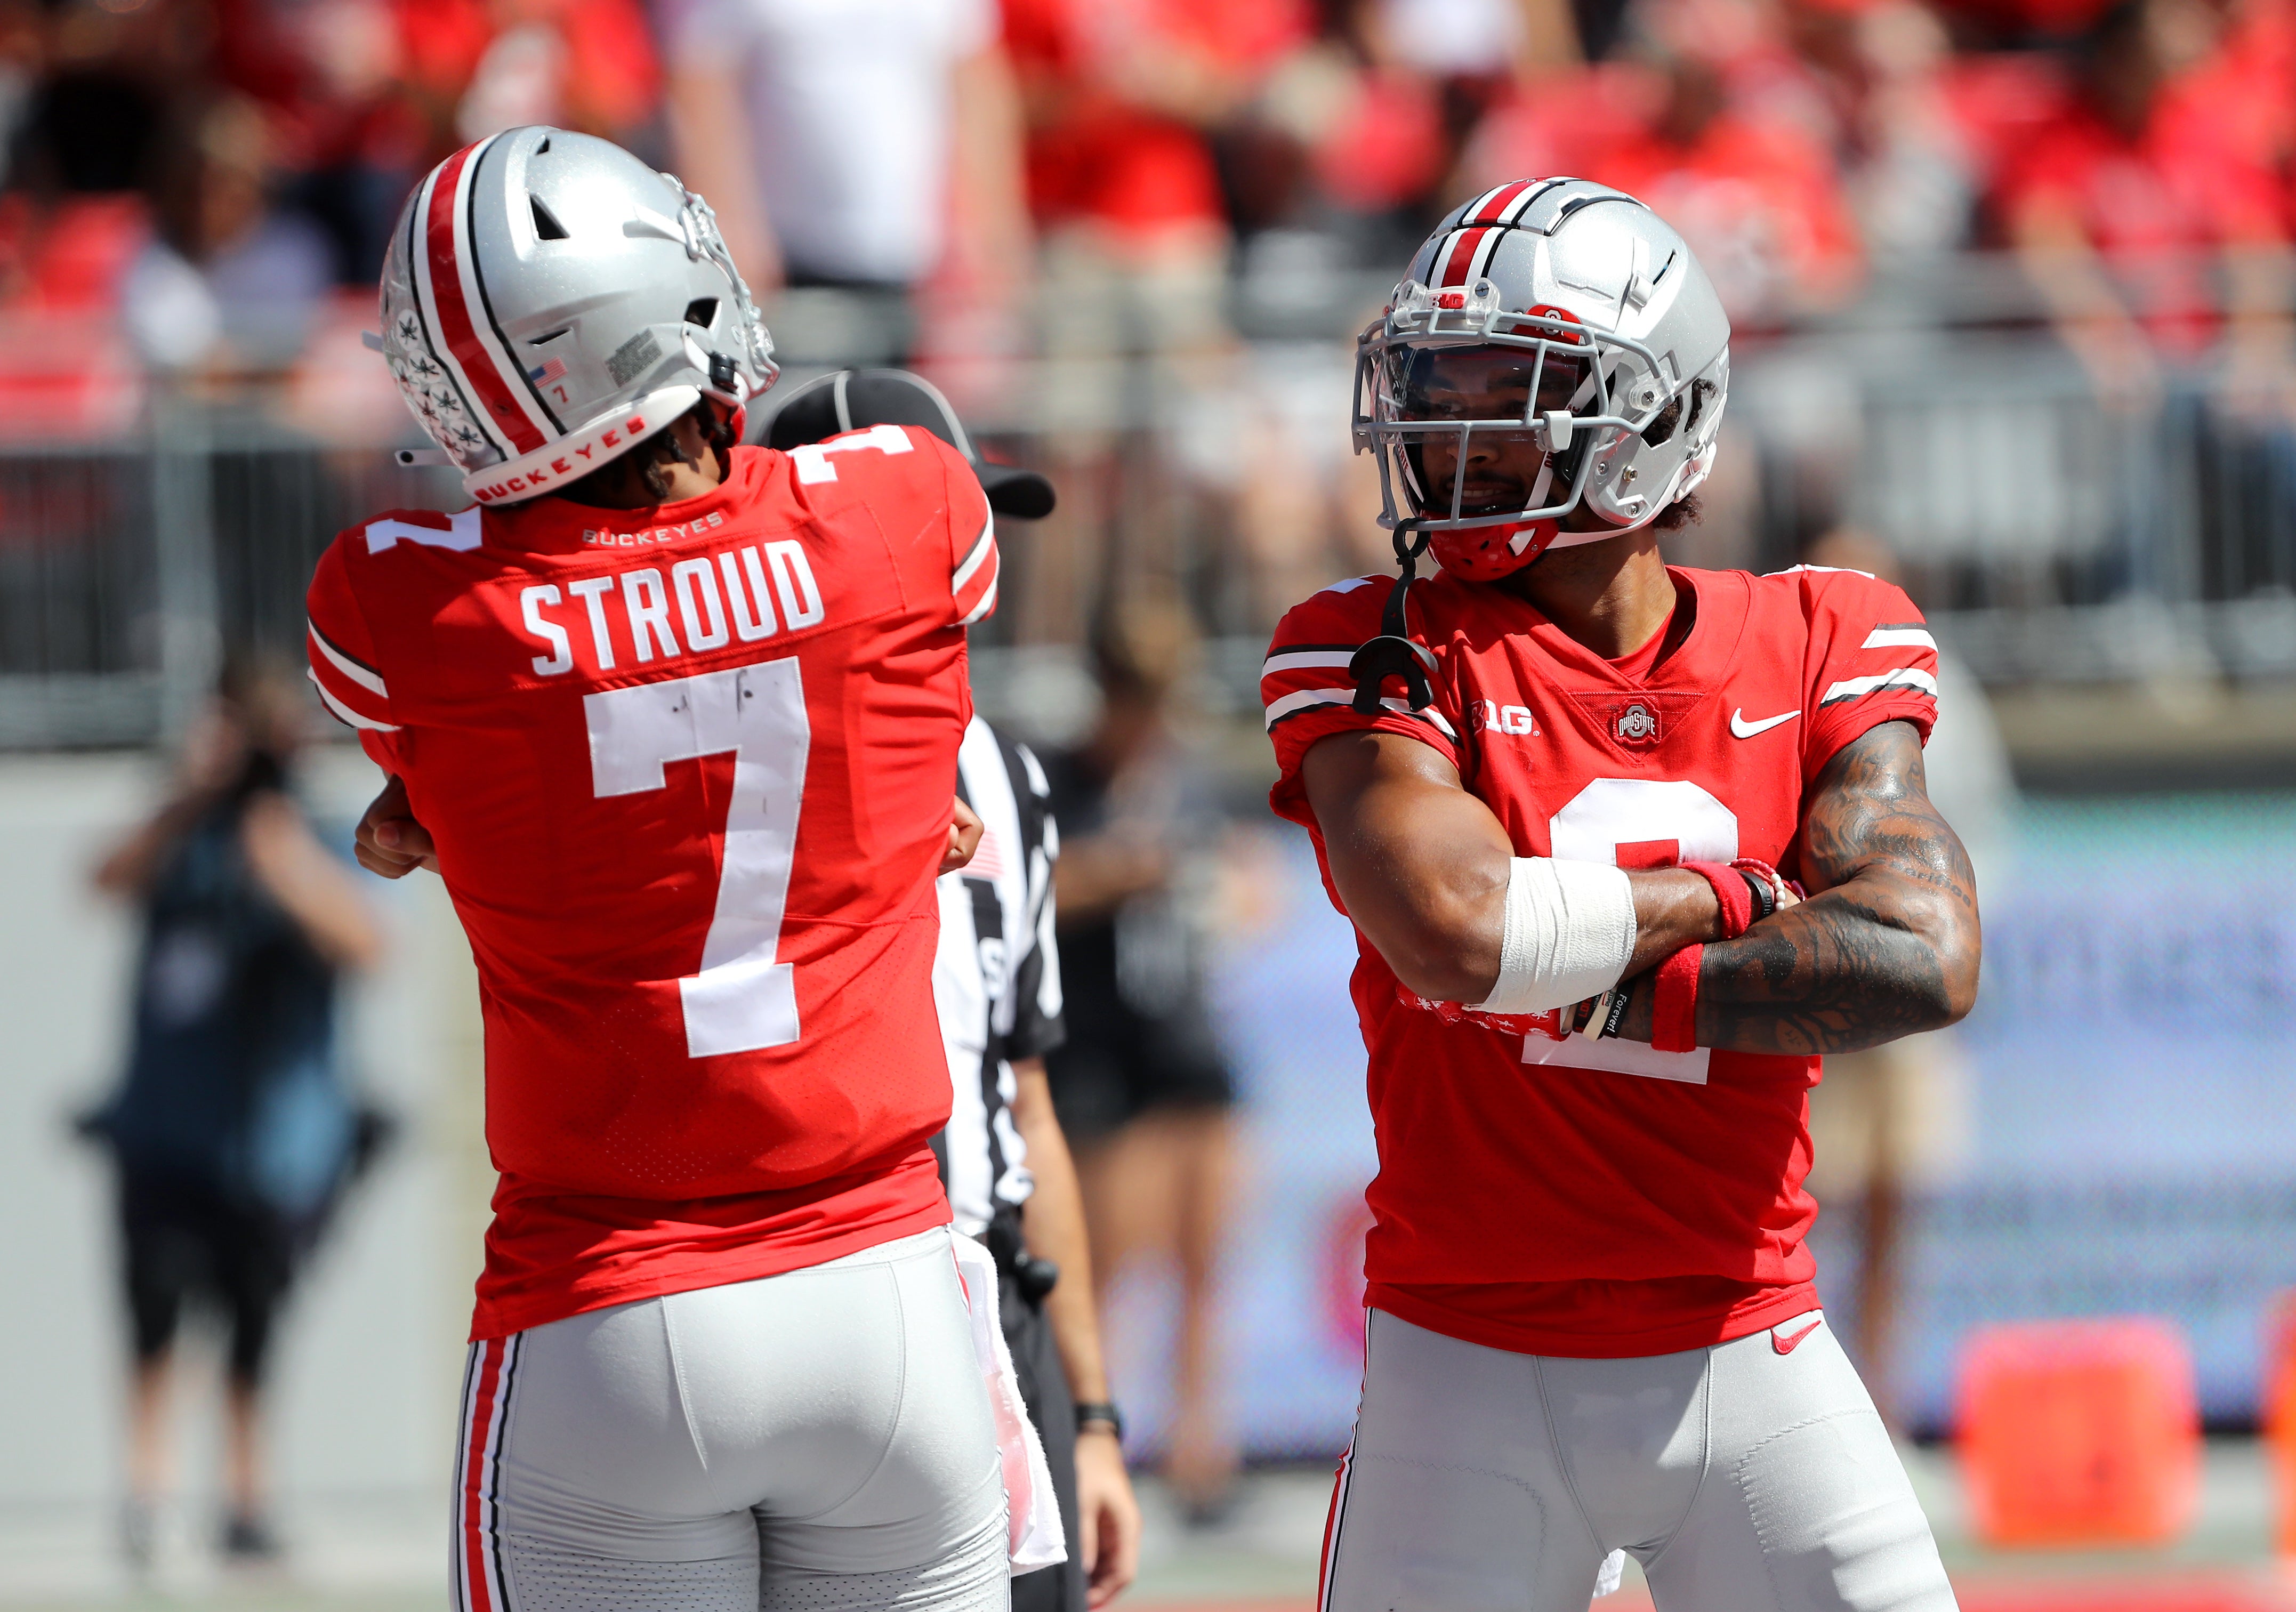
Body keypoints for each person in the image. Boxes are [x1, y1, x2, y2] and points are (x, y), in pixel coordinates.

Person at [310, 127, 1054, 1612]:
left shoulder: (405, 604)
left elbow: (495, 716)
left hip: (605, 1308)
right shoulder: (899, 506)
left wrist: (430, 807)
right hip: (887, 1292)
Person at [1260, 179, 1979, 1608]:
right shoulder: (1372, 642)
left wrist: (1563, 961)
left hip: (1749, 1343)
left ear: (1649, 417)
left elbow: (1921, 958)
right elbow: (1458, 932)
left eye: (1503, 392)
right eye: (1431, 387)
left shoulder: (1823, 629)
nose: (1444, 433)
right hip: (1459, 1365)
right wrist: (1736, 895)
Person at [764, 367, 1142, 1610]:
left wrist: (1087, 1411)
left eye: (972, 532)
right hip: (813, 1293)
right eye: (930, 532)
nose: (968, 573)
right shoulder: (737, 755)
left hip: (992, 1289)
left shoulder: (1011, 776)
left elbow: (1025, 1102)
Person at [85, 656, 383, 1569]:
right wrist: (188, 799)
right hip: (166, 1125)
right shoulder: (184, 835)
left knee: (255, 1325)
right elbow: (105, 881)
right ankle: (148, 1495)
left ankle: (245, 1503)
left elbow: (368, 944)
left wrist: (281, 859)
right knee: (153, 1313)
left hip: (271, 1145)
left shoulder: (305, 834)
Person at [1041, 609, 1241, 1522]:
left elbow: (1243, 881)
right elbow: (1036, 888)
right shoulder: (1059, 781)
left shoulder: (1186, 779)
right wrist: (1118, 872)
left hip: (1188, 1038)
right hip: (1102, 1054)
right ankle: (1095, 1459)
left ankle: (1203, 1459)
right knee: (1109, 1270)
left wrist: (1235, 891)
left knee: (1207, 1260)